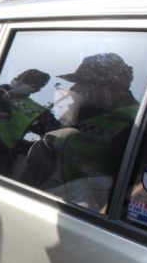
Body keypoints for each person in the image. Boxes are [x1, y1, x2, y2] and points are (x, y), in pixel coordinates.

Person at [24, 53, 139, 211]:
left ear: (110, 89)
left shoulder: (138, 128)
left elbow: (141, 196)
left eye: (81, 84)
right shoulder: (94, 116)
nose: (73, 89)